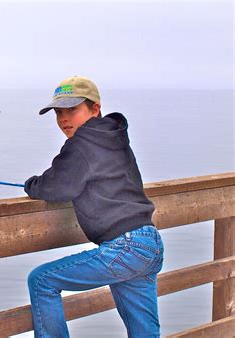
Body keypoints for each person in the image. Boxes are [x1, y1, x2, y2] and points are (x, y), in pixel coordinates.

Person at [24, 76, 164, 338]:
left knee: (42, 280)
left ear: (95, 108)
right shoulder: (115, 137)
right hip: (148, 244)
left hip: (124, 248)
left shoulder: (81, 144)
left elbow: (57, 186)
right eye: (59, 112)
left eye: (72, 110)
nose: (64, 119)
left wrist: (31, 184)